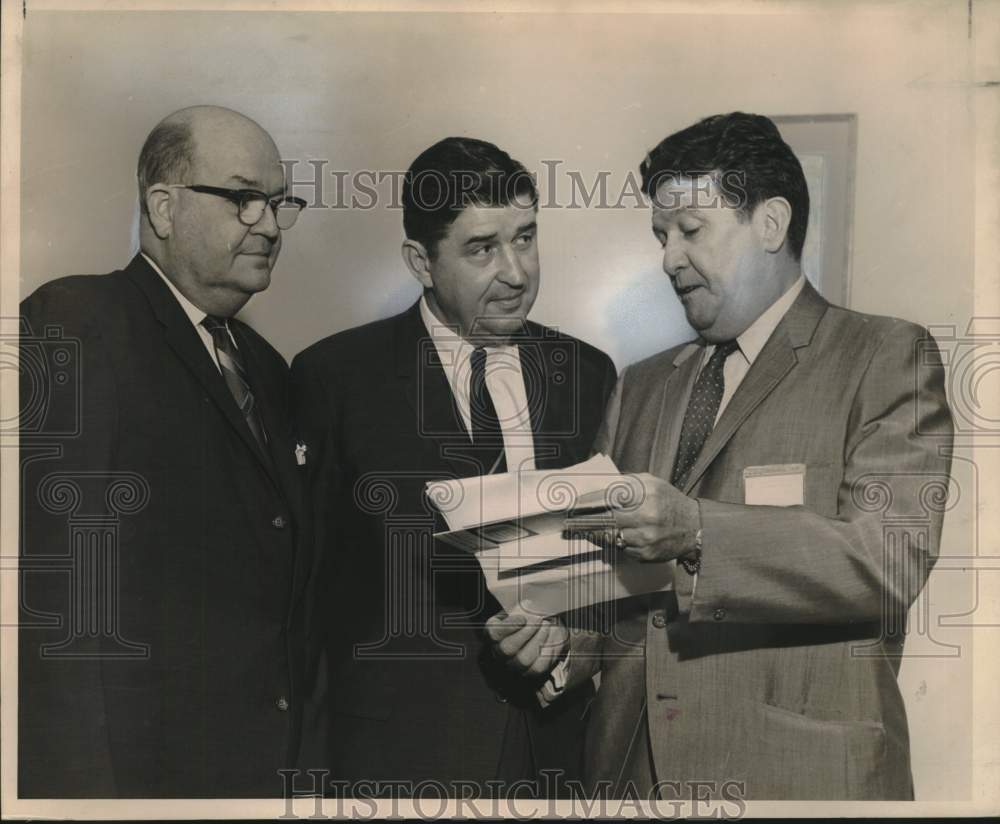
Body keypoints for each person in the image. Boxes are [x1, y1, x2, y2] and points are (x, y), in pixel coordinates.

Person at [487, 112, 954, 800]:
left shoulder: (885, 356)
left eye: (691, 231)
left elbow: (890, 557)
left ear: (770, 224)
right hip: (630, 778)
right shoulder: (639, 386)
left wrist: (699, 530)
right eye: (660, 236)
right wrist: (561, 643)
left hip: (798, 784)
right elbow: (613, 598)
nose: (669, 258)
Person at [291, 136, 617, 795]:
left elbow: (614, 575)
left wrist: (578, 644)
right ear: (421, 260)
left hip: (556, 758)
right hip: (392, 767)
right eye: (481, 248)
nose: (517, 271)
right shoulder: (334, 379)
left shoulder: (588, 375)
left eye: (525, 238)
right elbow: (302, 598)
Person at [18, 105, 310, 797]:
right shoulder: (78, 323)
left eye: (278, 203)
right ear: (163, 207)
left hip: (259, 776)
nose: (268, 225)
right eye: (243, 198)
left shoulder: (268, 368)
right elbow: (63, 596)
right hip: (133, 779)